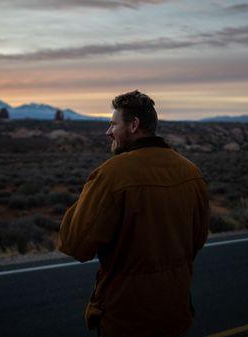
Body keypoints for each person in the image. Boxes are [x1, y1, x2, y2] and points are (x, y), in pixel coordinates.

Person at [58, 90, 209, 337]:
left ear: (134, 125)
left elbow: (75, 244)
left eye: (113, 124)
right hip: (175, 313)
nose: (108, 132)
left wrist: (87, 195)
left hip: (127, 319)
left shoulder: (112, 174)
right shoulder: (191, 172)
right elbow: (198, 238)